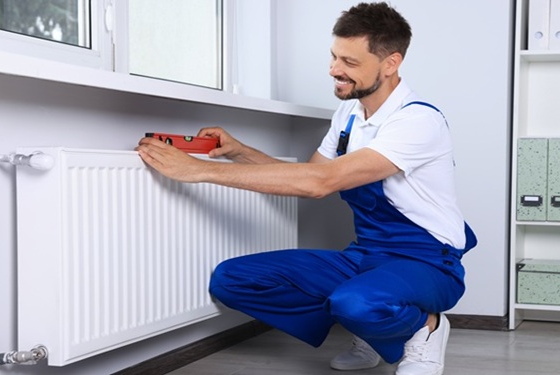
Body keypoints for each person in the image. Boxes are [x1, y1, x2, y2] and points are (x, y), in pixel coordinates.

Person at [137, 2, 476, 374]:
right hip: (366, 256)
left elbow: (321, 183)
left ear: (391, 63)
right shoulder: (348, 115)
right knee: (232, 280)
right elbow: (311, 175)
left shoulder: (418, 121)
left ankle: (424, 329)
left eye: (349, 62)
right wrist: (237, 151)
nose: (334, 70)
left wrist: (198, 171)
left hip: (427, 263)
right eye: (334, 57)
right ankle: (371, 323)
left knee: (355, 302)